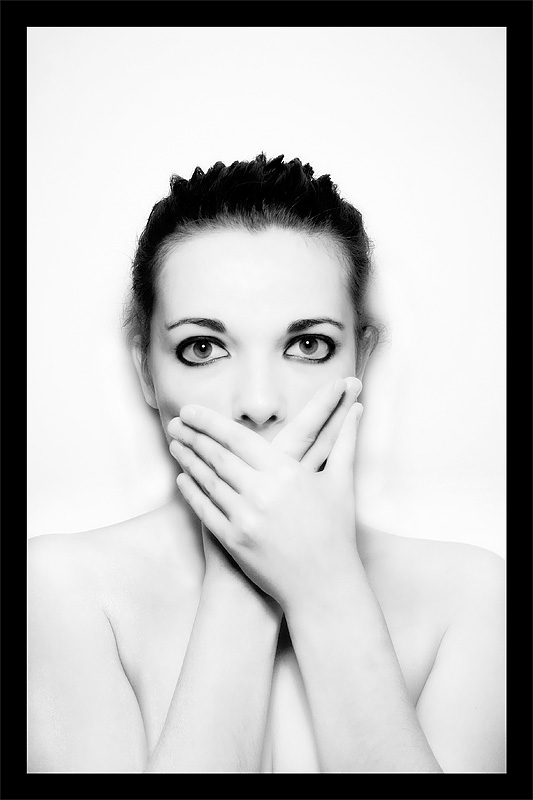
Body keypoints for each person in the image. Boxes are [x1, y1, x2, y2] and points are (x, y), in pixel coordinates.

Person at [27, 153, 505, 773]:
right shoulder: (63, 590)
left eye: (308, 345)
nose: (257, 403)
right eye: (203, 347)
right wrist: (243, 578)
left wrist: (326, 587)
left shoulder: (471, 598)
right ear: (147, 369)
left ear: (359, 359)